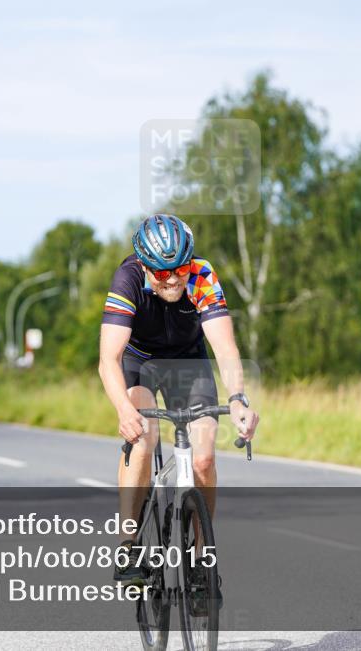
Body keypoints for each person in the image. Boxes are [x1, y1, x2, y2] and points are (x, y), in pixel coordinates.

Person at [98, 214, 259, 586]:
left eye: (179, 268)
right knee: (143, 435)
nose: (172, 279)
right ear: (144, 265)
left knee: (203, 459)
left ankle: (202, 560)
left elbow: (225, 347)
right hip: (140, 361)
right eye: (160, 272)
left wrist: (237, 399)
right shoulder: (129, 279)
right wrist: (124, 410)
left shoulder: (202, 276)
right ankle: (128, 546)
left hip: (188, 360)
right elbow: (108, 359)